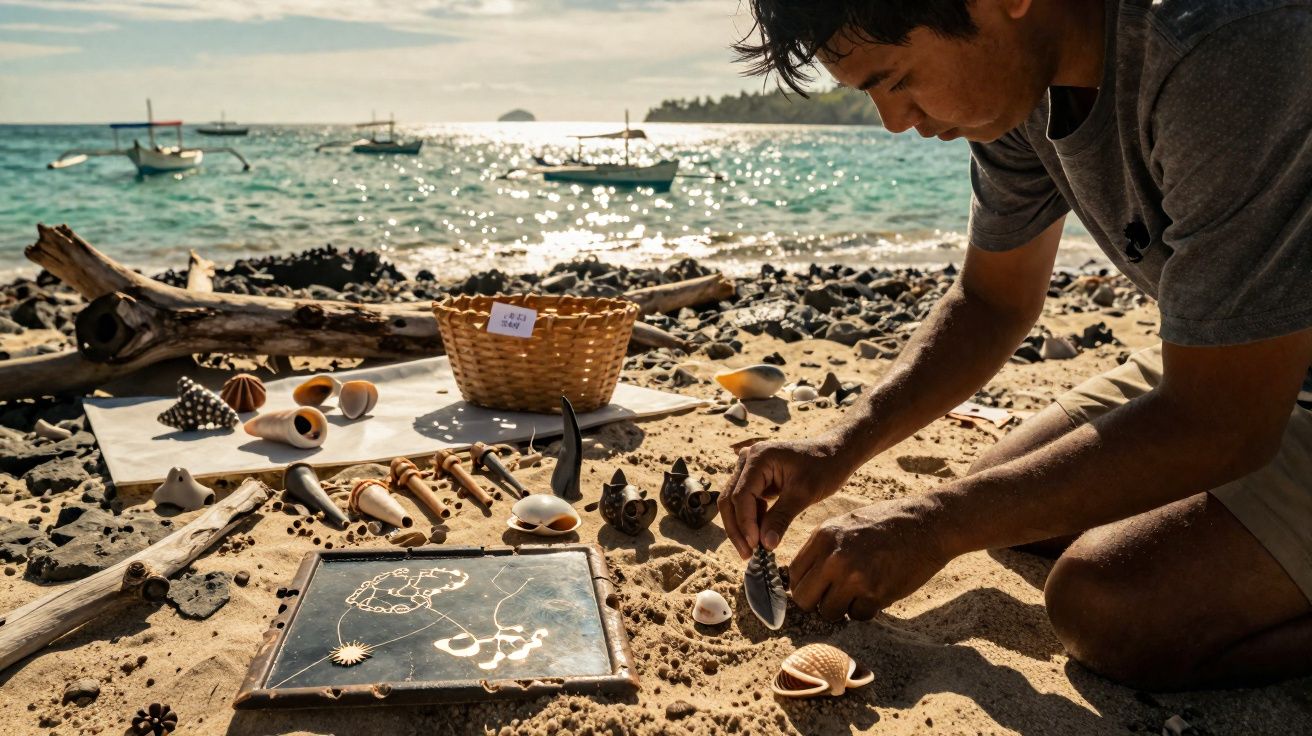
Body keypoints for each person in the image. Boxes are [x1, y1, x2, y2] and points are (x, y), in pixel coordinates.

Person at [722, 0, 1312, 690]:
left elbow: (1224, 422)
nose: (894, 121)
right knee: (1002, 500)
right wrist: (838, 447)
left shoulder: (1219, 45)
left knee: (1103, 607)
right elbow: (992, 301)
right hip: (1244, 347)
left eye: (898, 78)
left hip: (1246, 385)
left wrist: (933, 524)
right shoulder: (1019, 74)